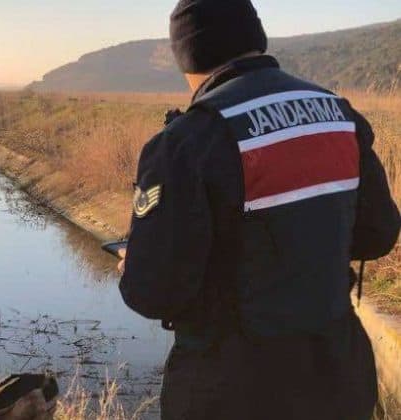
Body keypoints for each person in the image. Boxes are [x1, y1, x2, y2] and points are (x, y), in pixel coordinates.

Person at [117, 0, 400, 419]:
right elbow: (378, 234)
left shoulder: (187, 140)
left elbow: (155, 292)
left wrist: (132, 264)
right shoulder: (338, 115)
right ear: (256, 38)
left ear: (188, 55)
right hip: (338, 376)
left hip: (234, 391)